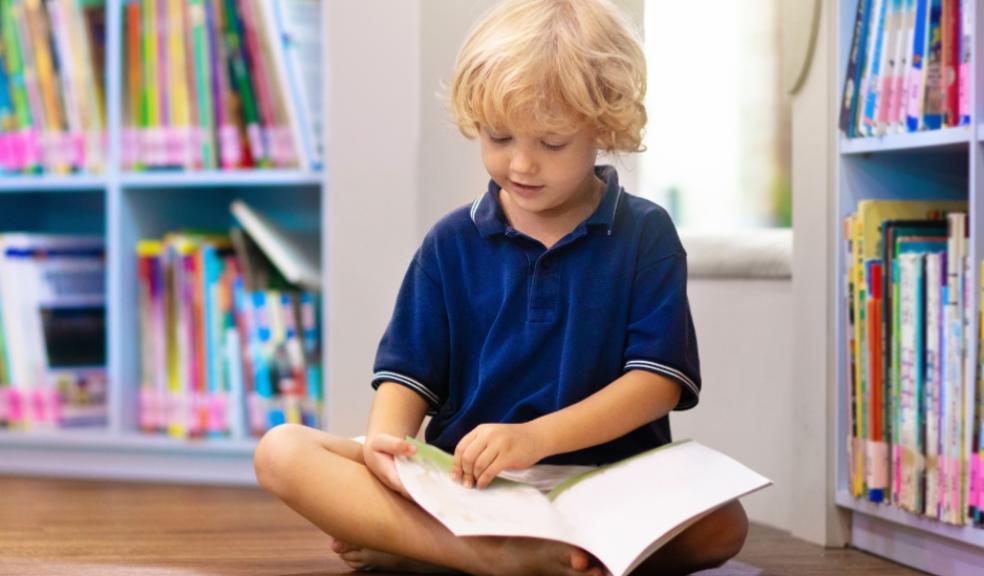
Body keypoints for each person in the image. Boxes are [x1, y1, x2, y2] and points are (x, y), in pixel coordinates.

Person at [254, 0, 748, 574]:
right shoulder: (450, 242)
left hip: (604, 486)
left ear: (603, 127)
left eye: (552, 143)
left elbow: (656, 385)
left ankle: (435, 553)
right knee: (282, 451)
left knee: (724, 525)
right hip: (468, 485)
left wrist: (534, 439)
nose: (521, 164)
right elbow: (406, 378)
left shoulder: (647, 233)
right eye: (499, 136)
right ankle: (494, 557)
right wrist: (389, 451)